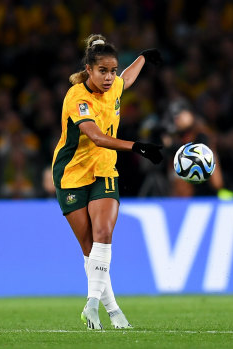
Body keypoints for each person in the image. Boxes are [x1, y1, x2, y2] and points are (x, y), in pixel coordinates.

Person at [52, 34, 163, 329]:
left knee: (103, 233)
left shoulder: (114, 85)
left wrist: (142, 58)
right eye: (103, 71)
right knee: (89, 248)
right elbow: (97, 137)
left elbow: (127, 80)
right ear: (89, 69)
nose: (109, 77)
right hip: (71, 174)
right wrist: (138, 147)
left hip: (103, 171)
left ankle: (92, 305)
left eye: (112, 71)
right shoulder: (77, 97)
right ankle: (113, 309)